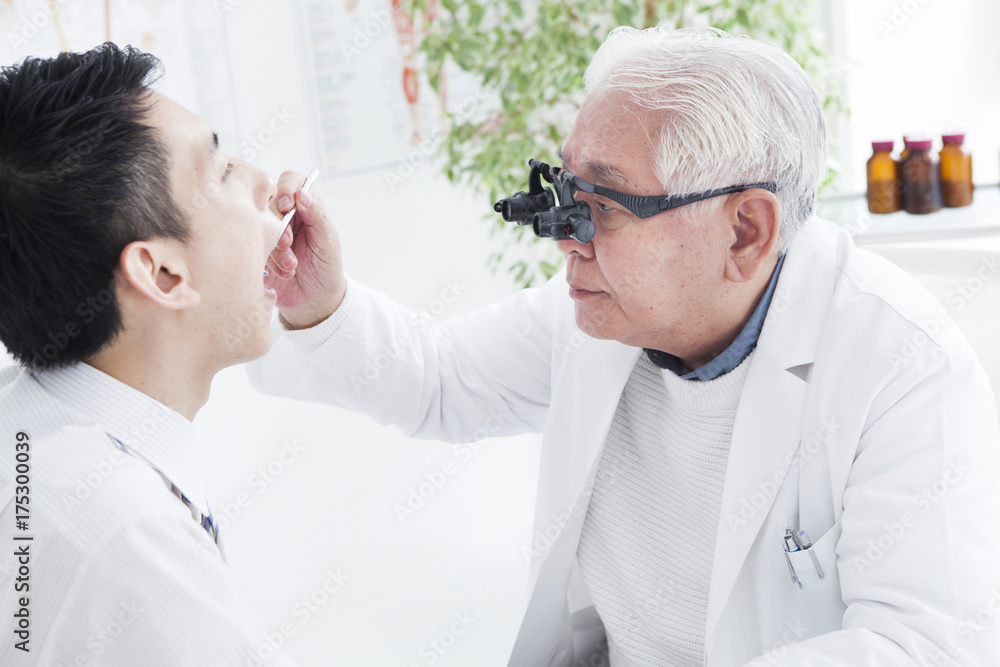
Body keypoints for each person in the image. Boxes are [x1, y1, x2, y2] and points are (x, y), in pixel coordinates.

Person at [252, 26, 1000, 666]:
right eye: (565, 195)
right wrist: (318, 299)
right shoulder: (593, 313)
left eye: (601, 206)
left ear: (747, 230)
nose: (564, 239)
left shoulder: (900, 364)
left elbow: (922, 646)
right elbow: (438, 380)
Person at [0, 44, 300, 665]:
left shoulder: (22, 420)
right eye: (220, 172)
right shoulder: (130, 539)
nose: (261, 181)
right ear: (162, 275)